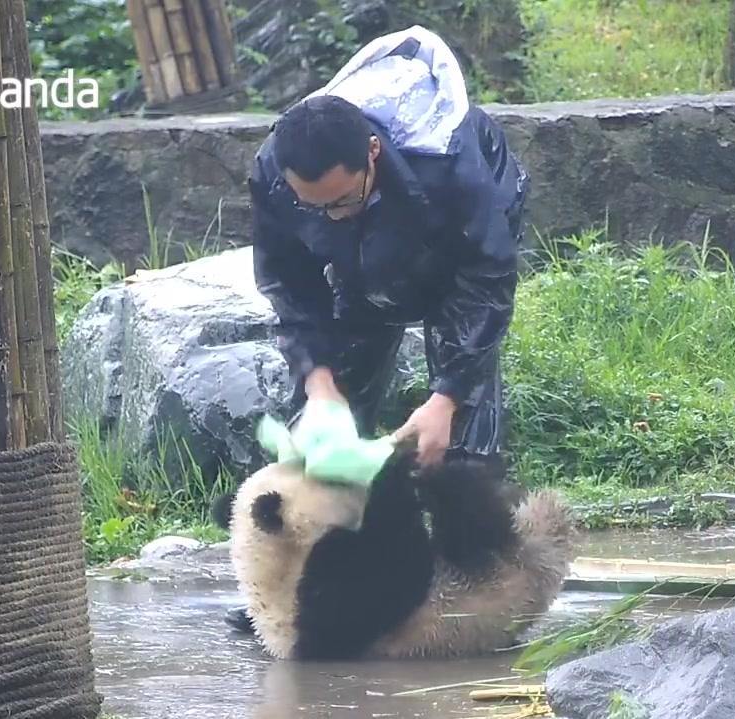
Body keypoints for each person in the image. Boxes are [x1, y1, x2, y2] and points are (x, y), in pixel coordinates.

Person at [224, 25, 529, 632]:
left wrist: (447, 396)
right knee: (320, 440)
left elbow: (485, 279)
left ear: (371, 153)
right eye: (312, 207)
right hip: (360, 273)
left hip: (457, 263)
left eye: (340, 200)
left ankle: (477, 602)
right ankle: (314, 598)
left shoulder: (454, 162)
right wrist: (316, 377)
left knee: (457, 450)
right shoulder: (276, 173)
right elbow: (289, 281)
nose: (326, 214)